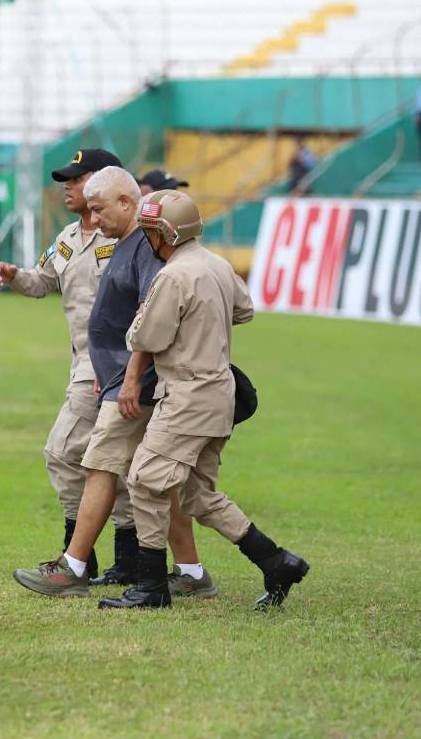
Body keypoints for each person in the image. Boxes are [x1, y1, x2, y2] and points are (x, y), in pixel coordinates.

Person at [98, 190, 309, 610]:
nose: (147, 238)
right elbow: (244, 310)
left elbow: (145, 337)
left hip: (186, 396)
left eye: (151, 230)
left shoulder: (173, 276)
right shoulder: (217, 265)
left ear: (167, 234)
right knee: (197, 494)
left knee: (143, 480)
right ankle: (275, 560)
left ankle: (152, 586)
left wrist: (144, 322)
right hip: (219, 397)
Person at [14, 166, 217, 598]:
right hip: (120, 380)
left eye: (99, 208)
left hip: (134, 386)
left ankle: (73, 567)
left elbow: (149, 316)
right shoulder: (123, 242)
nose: (95, 217)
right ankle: (192, 572)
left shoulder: (142, 247)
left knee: (98, 464)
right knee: (157, 479)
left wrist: (126, 378)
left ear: (126, 203)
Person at [0, 148, 120, 582]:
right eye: (67, 179)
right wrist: (13, 276)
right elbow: (41, 282)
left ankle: (76, 559)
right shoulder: (68, 236)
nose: (67, 186)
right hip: (84, 363)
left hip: (108, 366)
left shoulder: (124, 237)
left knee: (62, 452)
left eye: (77, 178)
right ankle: (127, 564)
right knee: (108, 462)